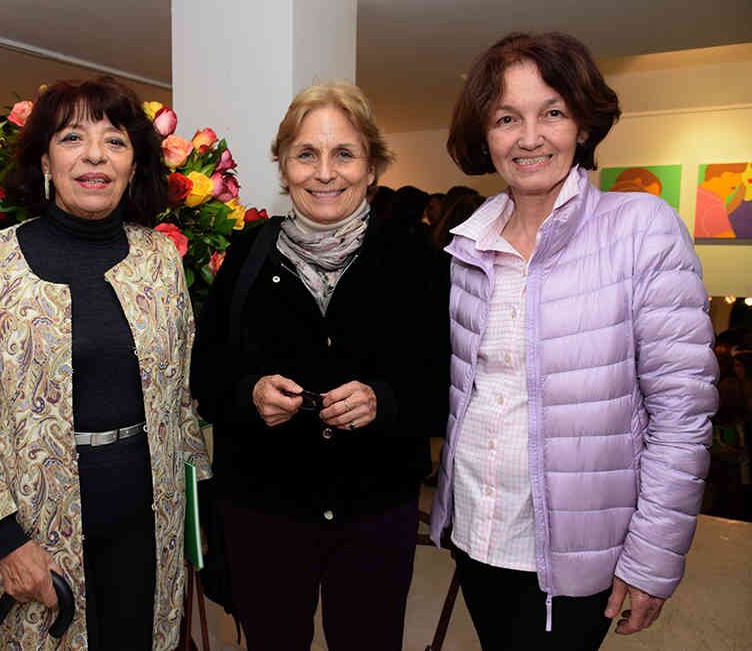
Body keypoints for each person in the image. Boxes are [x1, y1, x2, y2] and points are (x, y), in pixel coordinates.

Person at [430, 32, 718, 650]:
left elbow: (683, 415)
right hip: (478, 532)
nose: (529, 137)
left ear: (583, 126)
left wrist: (652, 558)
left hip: (583, 551)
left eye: (552, 113)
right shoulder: (468, 244)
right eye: (507, 118)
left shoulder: (641, 230)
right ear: (486, 136)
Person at [0, 77, 210, 651]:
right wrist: (7, 540)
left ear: (134, 163)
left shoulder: (160, 259)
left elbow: (180, 402)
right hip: (36, 524)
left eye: (115, 140)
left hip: (148, 515)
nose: (94, 156)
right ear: (44, 159)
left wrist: (200, 526)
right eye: (72, 137)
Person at [191, 81, 448, 651]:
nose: (325, 172)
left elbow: (441, 387)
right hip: (265, 510)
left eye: (344, 154)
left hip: (375, 510)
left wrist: (385, 401)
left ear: (372, 167)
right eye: (306, 154)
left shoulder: (416, 262)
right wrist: (249, 392)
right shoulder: (246, 255)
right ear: (284, 166)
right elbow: (206, 375)